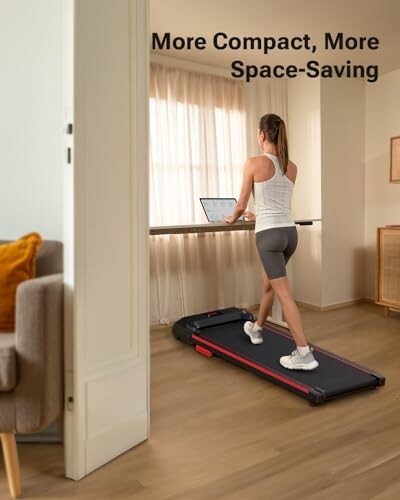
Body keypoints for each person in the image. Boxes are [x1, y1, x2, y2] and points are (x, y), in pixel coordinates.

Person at [224, 113, 318, 371]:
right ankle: (257, 329)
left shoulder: (253, 163)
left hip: (269, 236)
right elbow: (275, 200)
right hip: (289, 233)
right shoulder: (292, 166)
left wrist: (233, 217)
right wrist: (257, 214)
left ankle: (304, 353)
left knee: (284, 294)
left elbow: (241, 203)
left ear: (262, 135)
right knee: (269, 284)